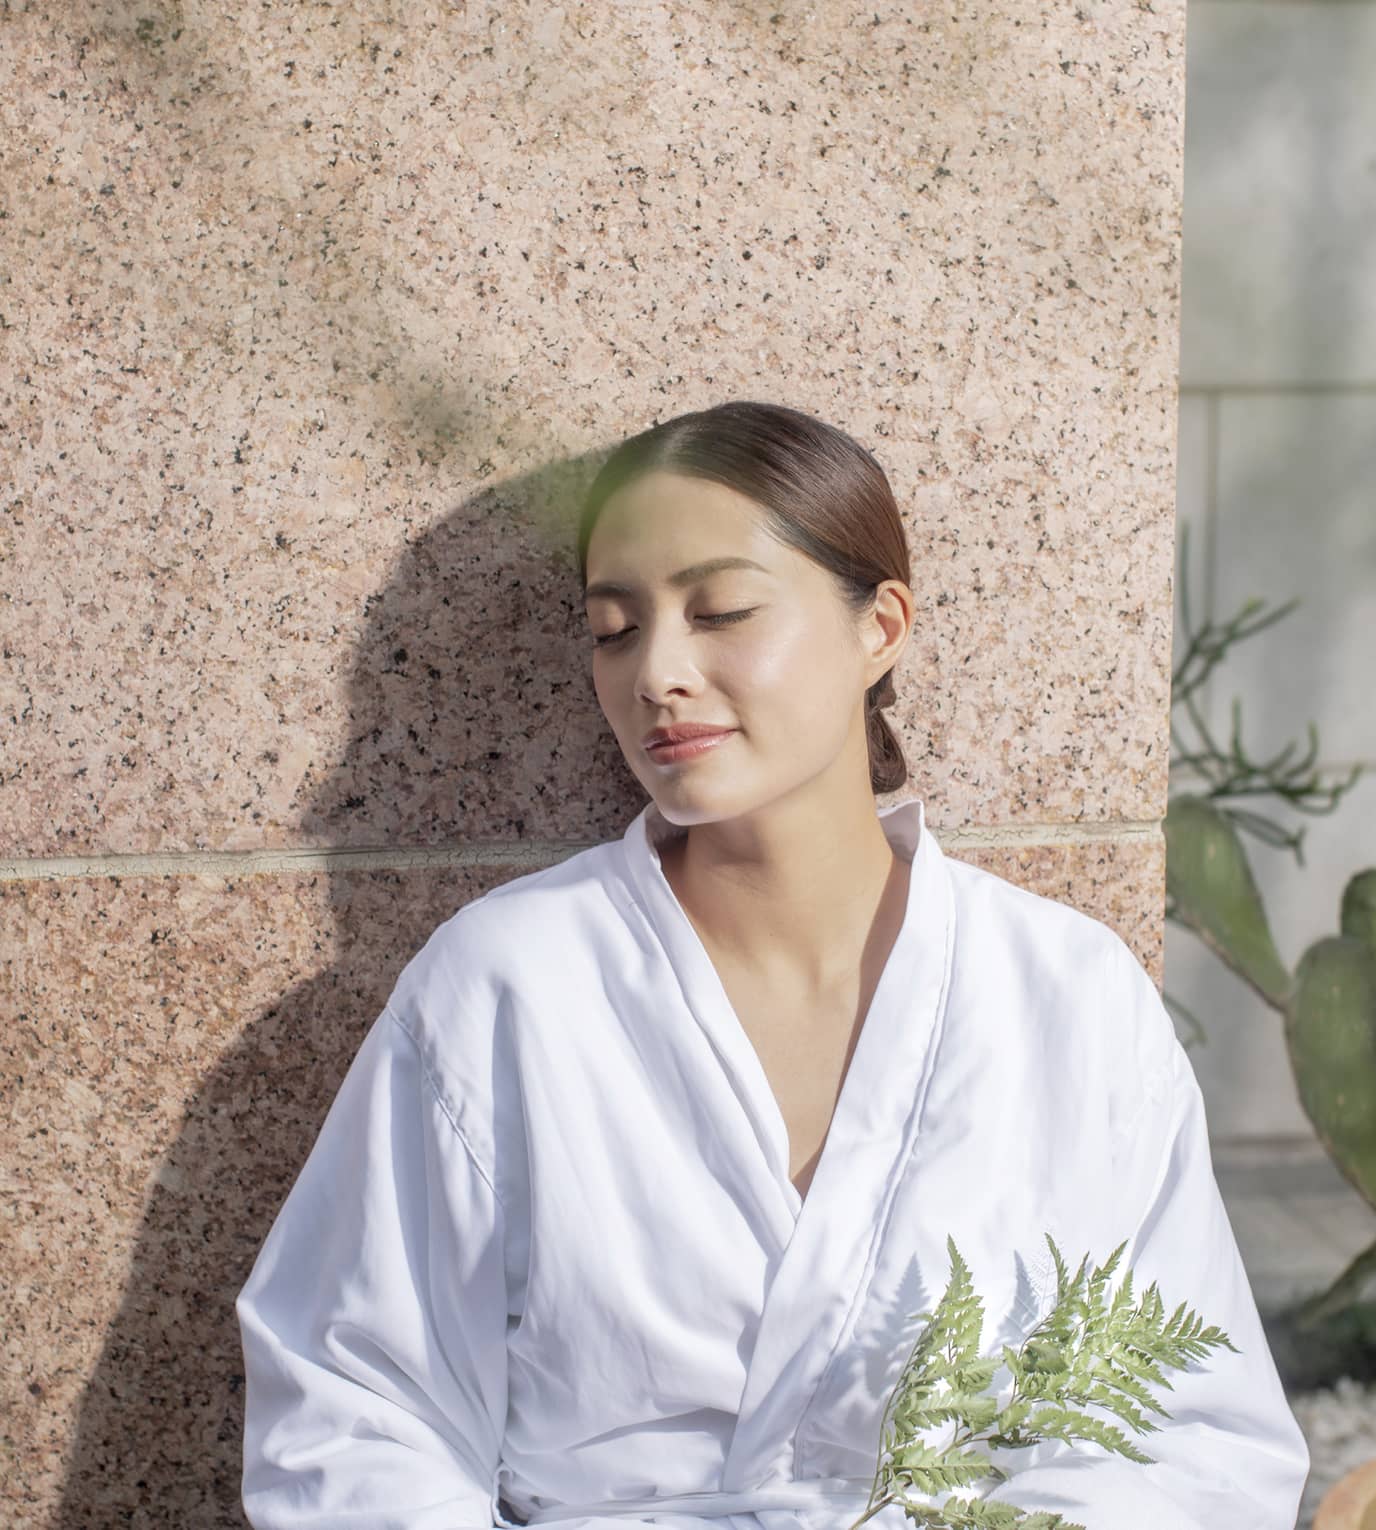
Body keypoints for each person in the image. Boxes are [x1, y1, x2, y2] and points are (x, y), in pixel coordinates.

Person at [235, 399, 1311, 1530]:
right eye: (614, 629)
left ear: (880, 627)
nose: (658, 672)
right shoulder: (507, 986)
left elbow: (1193, 1433)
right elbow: (354, 1413)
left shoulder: (1065, 995)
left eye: (722, 611)